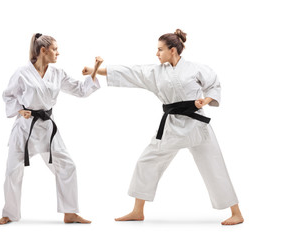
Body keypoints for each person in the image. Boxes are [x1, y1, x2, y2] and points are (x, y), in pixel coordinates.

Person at [83, 29, 244, 225]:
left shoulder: (195, 68)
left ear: (173, 50)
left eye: (160, 49)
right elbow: (130, 72)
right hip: (172, 125)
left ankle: (236, 213)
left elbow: (213, 84)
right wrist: (95, 71)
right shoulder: (155, 73)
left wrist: (207, 100)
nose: (157, 53)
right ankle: (137, 211)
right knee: (147, 161)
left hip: (196, 124)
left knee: (214, 165)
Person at [0, 33, 103, 225]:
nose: (58, 53)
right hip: (25, 129)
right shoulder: (22, 73)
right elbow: (8, 96)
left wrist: (95, 70)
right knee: (13, 171)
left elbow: (79, 89)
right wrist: (20, 110)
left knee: (67, 166)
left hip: (47, 129)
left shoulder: (57, 73)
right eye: (55, 49)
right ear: (43, 51)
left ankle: (70, 212)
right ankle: (10, 214)